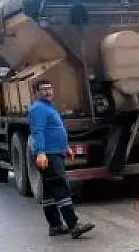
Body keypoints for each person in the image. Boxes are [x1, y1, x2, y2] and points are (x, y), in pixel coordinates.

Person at [28, 79, 95, 238]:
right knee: (60, 187)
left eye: (49, 88)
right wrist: (40, 152)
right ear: (36, 92)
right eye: (43, 89)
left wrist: (65, 147)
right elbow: (38, 132)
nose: (47, 92)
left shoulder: (49, 106)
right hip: (48, 154)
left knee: (50, 191)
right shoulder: (37, 109)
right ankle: (73, 225)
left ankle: (55, 226)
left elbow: (55, 129)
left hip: (55, 151)